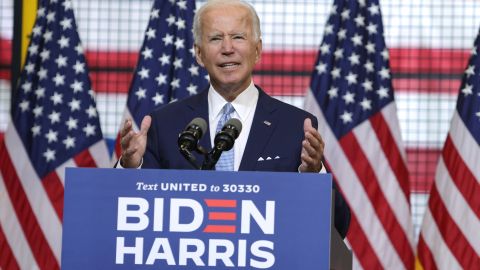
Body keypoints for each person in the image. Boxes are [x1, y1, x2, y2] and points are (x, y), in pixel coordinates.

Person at [118, 0, 350, 238]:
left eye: (238, 37)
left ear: (257, 50)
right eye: (215, 38)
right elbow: (128, 216)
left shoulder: (295, 126)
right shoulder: (165, 123)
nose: (227, 48)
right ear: (199, 54)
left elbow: (338, 226)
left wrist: (313, 176)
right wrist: (131, 166)